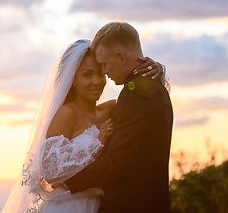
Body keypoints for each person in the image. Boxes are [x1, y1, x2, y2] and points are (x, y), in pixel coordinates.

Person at [1, 37, 167, 213]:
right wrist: (97, 142)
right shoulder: (67, 114)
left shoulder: (112, 108)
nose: (97, 82)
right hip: (67, 206)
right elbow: (50, 170)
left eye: (100, 74)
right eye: (87, 75)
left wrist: (154, 70)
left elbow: (141, 110)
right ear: (73, 79)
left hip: (99, 205)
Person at [65, 22, 174, 212]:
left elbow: (116, 164)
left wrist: (67, 179)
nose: (104, 72)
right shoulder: (155, 86)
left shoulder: (135, 94)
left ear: (121, 57)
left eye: (104, 64)